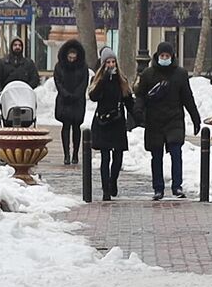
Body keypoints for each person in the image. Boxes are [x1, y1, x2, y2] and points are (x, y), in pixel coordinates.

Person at [135, 40, 202, 200]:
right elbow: (141, 96)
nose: (165, 58)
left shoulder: (180, 74)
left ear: (172, 56)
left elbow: (187, 97)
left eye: (168, 55)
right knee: (156, 155)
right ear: (157, 56)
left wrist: (195, 117)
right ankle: (158, 188)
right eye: (162, 55)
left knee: (176, 152)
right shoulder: (148, 75)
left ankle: (177, 186)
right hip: (155, 120)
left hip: (174, 120)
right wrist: (138, 111)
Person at [87, 47, 133, 201]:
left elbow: (129, 100)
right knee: (105, 157)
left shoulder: (122, 80)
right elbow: (93, 96)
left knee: (118, 157)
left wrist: (138, 117)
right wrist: (104, 79)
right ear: (103, 64)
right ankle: (105, 189)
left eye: (113, 62)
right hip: (103, 121)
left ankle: (113, 180)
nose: (111, 65)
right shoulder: (98, 80)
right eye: (108, 62)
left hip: (118, 121)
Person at [52, 39, 90, 165]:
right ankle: (66, 154)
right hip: (64, 100)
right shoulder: (59, 67)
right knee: (66, 126)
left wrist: (77, 94)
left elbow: (84, 83)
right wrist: (65, 94)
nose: (72, 58)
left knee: (76, 127)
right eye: (70, 55)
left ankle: (75, 154)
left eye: (74, 55)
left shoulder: (83, 67)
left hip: (78, 101)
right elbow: (58, 82)